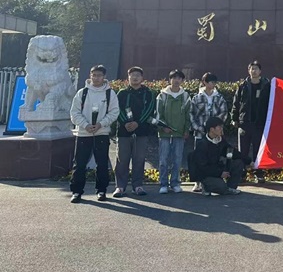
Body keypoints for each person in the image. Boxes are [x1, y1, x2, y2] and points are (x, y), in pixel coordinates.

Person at [68, 65, 120, 203]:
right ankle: (76, 192)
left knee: (102, 164)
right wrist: (85, 125)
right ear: (90, 76)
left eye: (99, 75)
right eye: (94, 75)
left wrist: (100, 124)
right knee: (80, 164)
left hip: (101, 133)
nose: (96, 78)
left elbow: (114, 112)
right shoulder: (82, 93)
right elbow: (74, 113)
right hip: (83, 133)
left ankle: (101, 190)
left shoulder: (110, 94)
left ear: (104, 77)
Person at [114, 66, 156, 198]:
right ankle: (120, 187)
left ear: (142, 78)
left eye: (138, 75)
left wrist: (137, 123)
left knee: (139, 159)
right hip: (123, 132)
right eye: (132, 75)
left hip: (141, 131)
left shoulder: (148, 93)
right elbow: (116, 109)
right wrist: (125, 123)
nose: (135, 77)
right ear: (128, 77)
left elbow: (150, 110)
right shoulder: (122, 93)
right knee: (122, 159)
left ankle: (137, 185)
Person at [231, 60, 271, 184]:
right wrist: (234, 118)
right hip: (244, 123)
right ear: (248, 71)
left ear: (260, 71)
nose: (254, 71)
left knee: (258, 150)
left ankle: (259, 174)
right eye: (251, 69)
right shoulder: (242, 86)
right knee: (243, 150)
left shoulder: (266, 86)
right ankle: (242, 174)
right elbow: (236, 103)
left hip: (259, 123)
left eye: (256, 69)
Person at [190, 72, 228, 192]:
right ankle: (198, 183)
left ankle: (211, 181)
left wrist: (216, 127)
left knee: (213, 157)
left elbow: (224, 112)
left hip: (214, 134)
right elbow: (191, 114)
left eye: (214, 82)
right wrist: (198, 127)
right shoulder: (197, 98)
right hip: (200, 133)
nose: (213, 84)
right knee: (199, 158)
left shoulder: (219, 97)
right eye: (210, 82)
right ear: (204, 82)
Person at [188, 116, 244, 196]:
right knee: (220, 187)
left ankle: (230, 188)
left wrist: (249, 161)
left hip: (217, 169)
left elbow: (232, 151)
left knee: (238, 163)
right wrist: (220, 173)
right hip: (206, 174)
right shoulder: (202, 144)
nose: (222, 129)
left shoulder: (220, 140)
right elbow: (203, 167)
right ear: (212, 129)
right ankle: (206, 186)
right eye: (219, 127)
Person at [156, 69, 192, 195]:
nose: (176, 80)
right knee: (163, 159)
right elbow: (158, 114)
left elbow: (188, 115)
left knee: (177, 159)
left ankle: (175, 183)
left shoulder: (185, 96)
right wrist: (163, 127)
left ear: (182, 80)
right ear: (169, 79)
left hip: (179, 133)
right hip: (165, 133)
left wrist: (186, 130)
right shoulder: (162, 95)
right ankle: (163, 184)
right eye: (174, 78)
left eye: (179, 78)